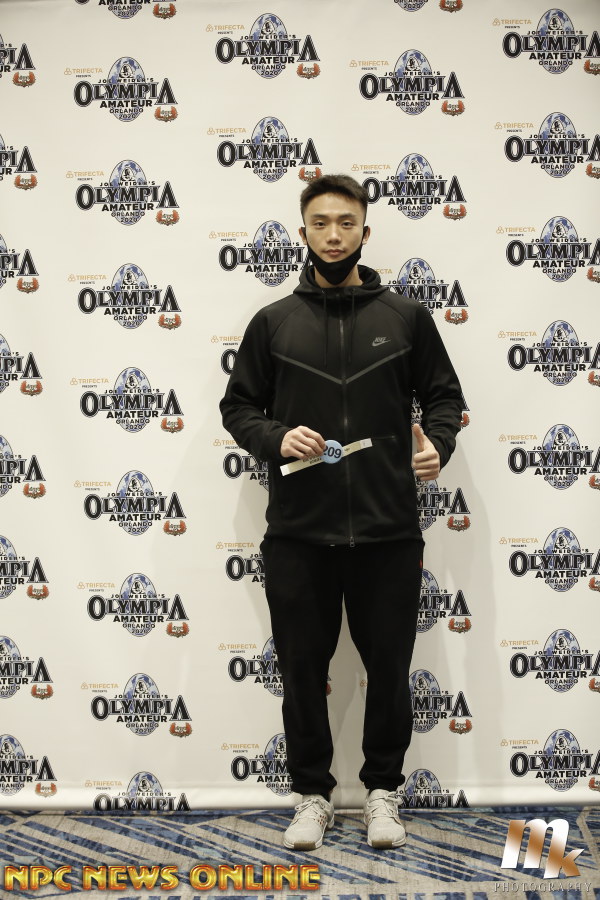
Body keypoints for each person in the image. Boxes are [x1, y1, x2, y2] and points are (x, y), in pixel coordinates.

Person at [220, 174, 462, 851]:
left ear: (365, 231)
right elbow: (238, 407)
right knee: (302, 674)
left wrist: (437, 445)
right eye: (321, 223)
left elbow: (444, 398)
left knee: (390, 673)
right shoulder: (273, 322)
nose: (333, 235)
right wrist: (274, 438)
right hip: (299, 534)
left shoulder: (406, 318)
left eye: (346, 223)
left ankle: (384, 792)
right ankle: (312, 796)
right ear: (303, 232)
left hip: (389, 532)